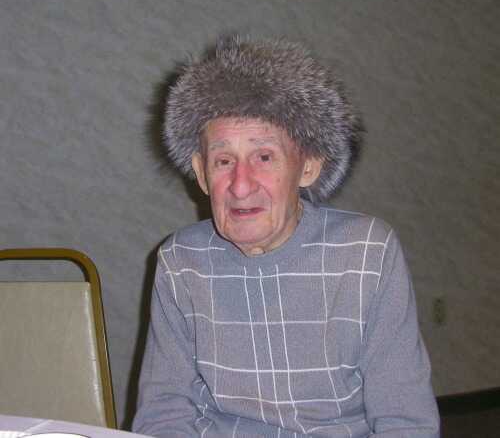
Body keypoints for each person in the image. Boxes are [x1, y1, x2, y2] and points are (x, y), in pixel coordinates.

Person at [132, 36, 440, 437]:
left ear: (308, 167)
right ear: (202, 173)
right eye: (223, 161)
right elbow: (164, 414)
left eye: (264, 157)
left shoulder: (366, 252)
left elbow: (406, 422)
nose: (241, 185)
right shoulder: (180, 261)